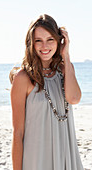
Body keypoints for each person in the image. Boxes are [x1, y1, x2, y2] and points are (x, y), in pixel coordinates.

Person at [10, 14, 84, 170]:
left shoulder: (65, 70)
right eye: (39, 41)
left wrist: (66, 55)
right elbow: (18, 133)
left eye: (50, 39)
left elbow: (74, 98)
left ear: (59, 41)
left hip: (66, 155)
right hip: (36, 160)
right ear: (31, 44)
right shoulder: (23, 78)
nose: (45, 46)